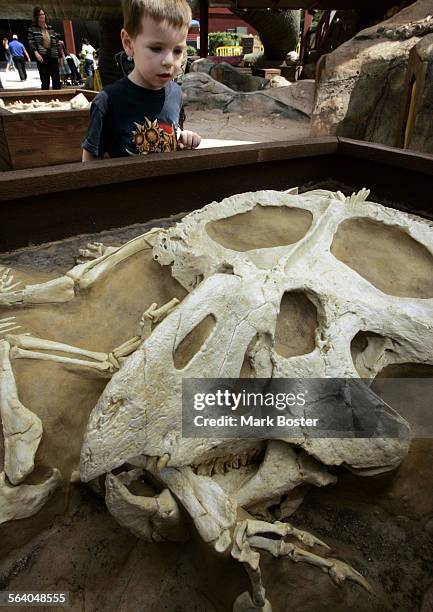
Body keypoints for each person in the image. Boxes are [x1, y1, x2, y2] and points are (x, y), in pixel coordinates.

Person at [82, 0, 201, 161]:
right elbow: (90, 161)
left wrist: (182, 137)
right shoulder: (108, 101)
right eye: (156, 48)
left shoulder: (176, 93)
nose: (169, 61)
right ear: (128, 43)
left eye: (177, 50)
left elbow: (172, 132)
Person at [27, 6, 61, 90]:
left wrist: (60, 56)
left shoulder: (50, 29)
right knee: (45, 80)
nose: (42, 16)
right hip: (42, 55)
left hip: (53, 55)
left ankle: (57, 98)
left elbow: (56, 43)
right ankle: (46, 99)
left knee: (56, 79)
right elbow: (31, 43)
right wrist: (36, 53)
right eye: (40, 15)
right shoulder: (32, 29)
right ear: (36, 17)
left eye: (43, 14)